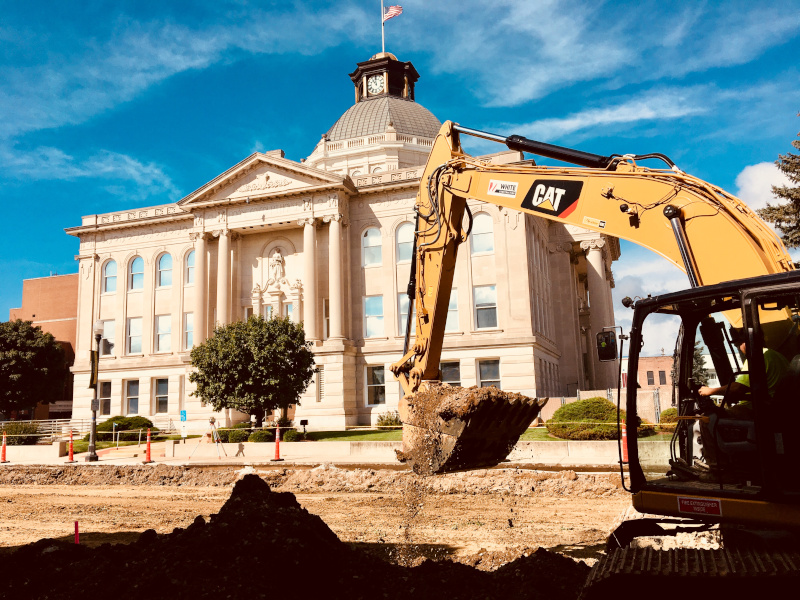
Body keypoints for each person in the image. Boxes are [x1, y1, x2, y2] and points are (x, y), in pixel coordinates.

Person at [698, 327, 789, 418]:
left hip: (756, 408)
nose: (739, 348)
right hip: (775, 407)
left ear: (745, 343)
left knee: (708, 420)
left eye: (738, 345)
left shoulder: (757, 357)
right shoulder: (778, 356)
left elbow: (738, 388)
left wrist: (710, 391)